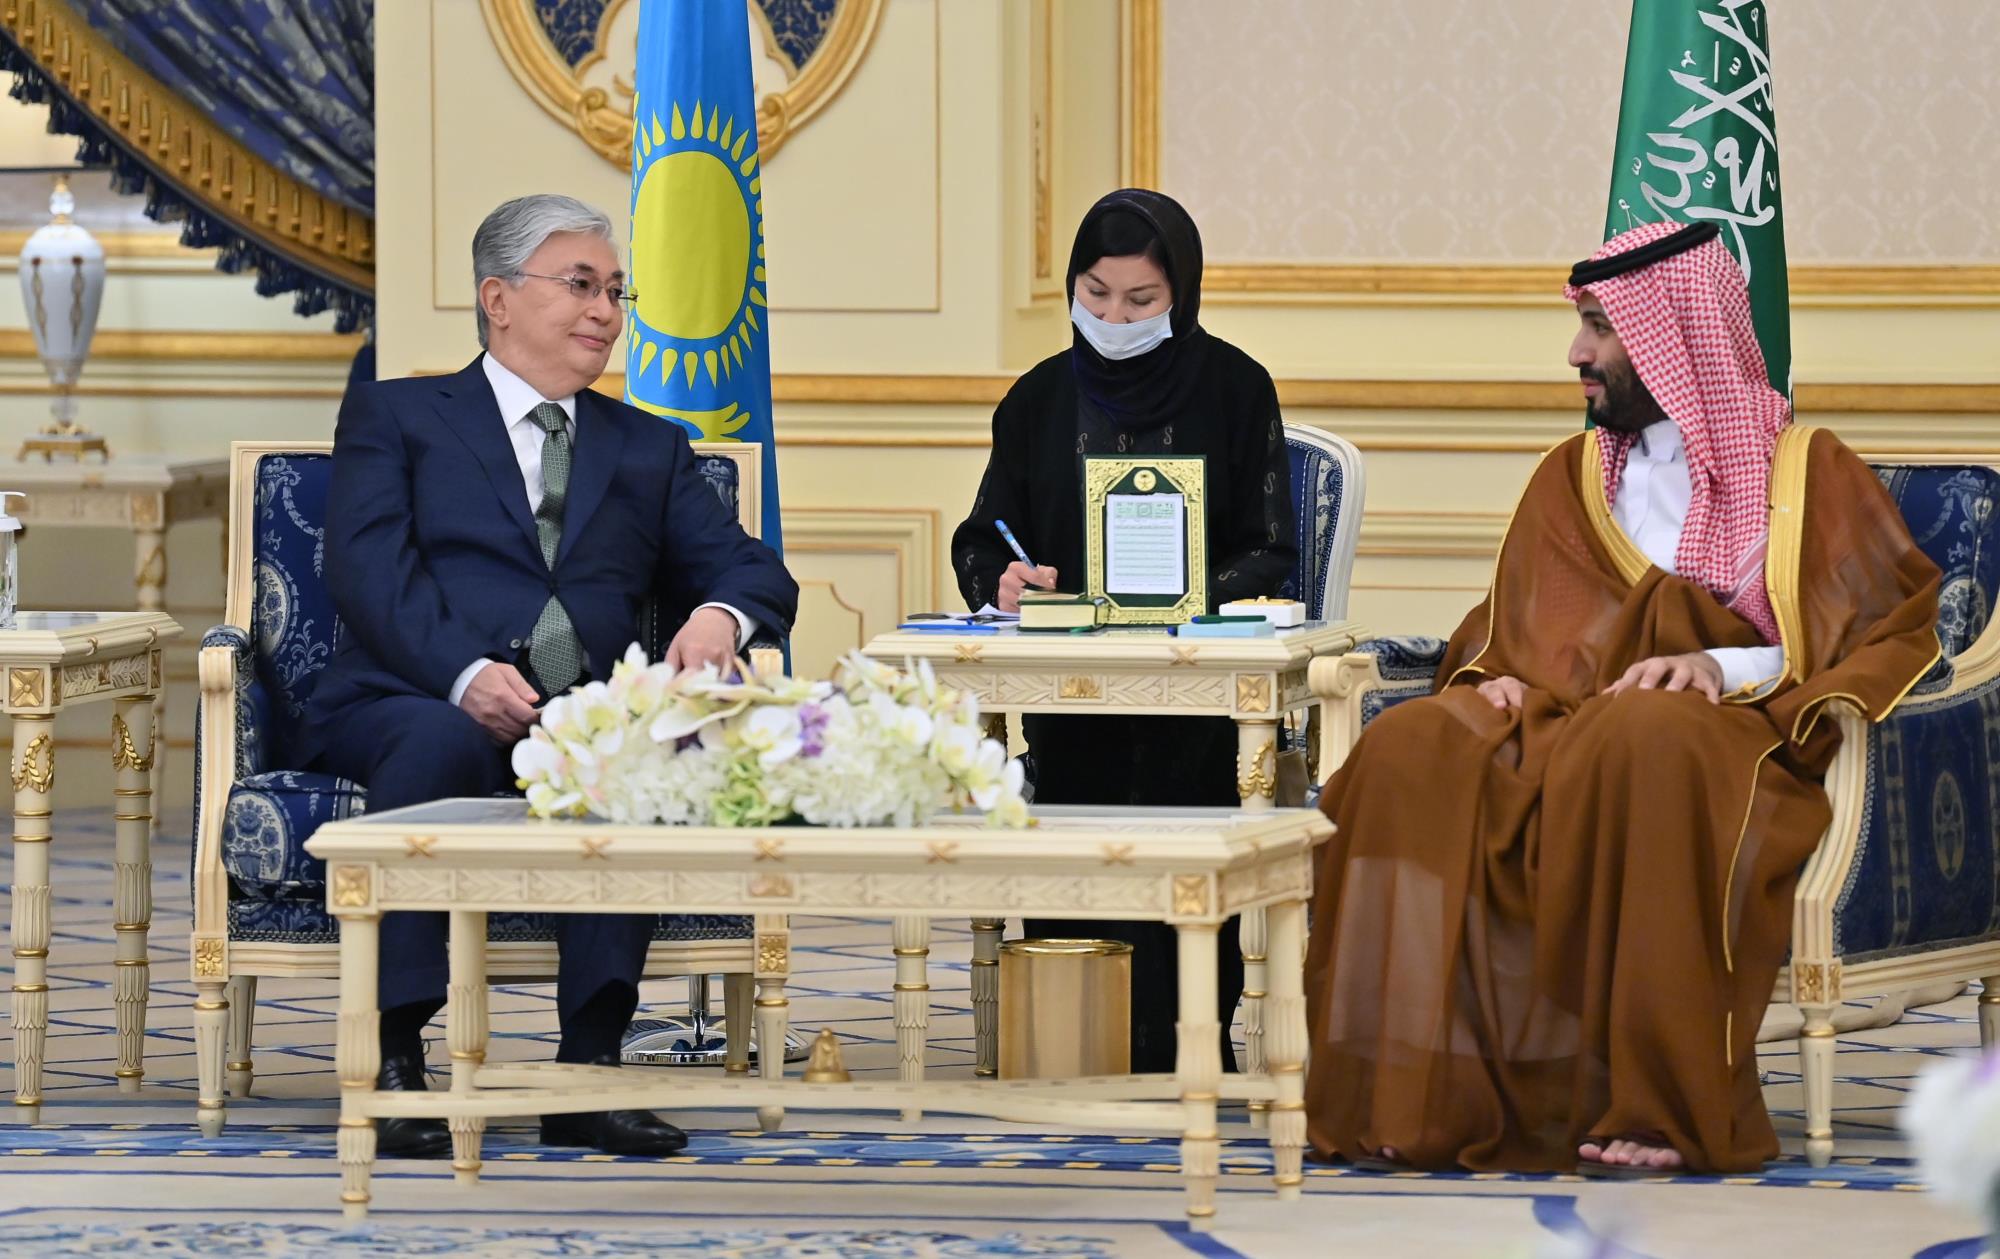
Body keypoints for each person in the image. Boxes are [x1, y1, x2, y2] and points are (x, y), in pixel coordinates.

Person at [1302, 220, 1940, 1175]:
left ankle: (1658, 1107)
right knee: (1413, 746)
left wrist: (1718, 666)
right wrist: (1496, 673)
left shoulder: (1805, 472)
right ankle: (1414, 1098)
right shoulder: (1573, 476)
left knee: (1642, 735)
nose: (1577, 353)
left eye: (1600, 327)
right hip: (1567, 718)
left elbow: (1884, 624)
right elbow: (1510, 627)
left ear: (1674, 336)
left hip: (1728, 736)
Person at [300, 194, 798, 1158]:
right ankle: (396, 1060)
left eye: (616, 291)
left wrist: (717, 615)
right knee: (439, 740)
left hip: (575, 713)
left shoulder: (648, 446)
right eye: (580, 285)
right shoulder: (398, 415)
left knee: (625, 754)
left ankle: (588, 1073)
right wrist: (462, 674)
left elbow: (752, 567)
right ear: (498, 299)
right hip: (411, 696)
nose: (605, 311)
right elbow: (366, 571)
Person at [949, 188, 1297, 1072]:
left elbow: (1271, 549)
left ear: (1181, 294)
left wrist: (1182, 602)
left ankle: (1187, 1037)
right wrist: (1008, 582)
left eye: (1141, 301)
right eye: (1095, 295)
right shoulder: (1037, 400)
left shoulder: (1237, 388)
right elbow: (982, 538)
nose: (1113, 319)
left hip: (1197, 692)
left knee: (1187, 813)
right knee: (1075, 810)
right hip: (1073, 692)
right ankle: (1069, 1034)